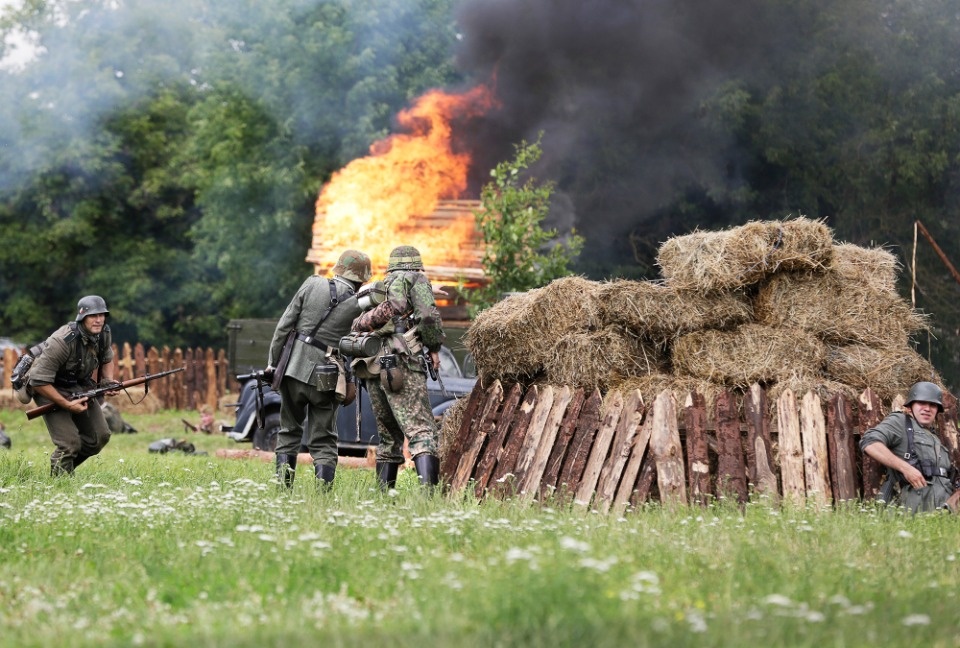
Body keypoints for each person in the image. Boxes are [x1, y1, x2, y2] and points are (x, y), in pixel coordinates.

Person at [268, 249, 372, 489]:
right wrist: (352, 381)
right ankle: (323, 495)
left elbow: (283, 326)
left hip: (293, 368)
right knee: (324, 439)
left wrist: (273, 363)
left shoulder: (312, 284)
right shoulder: (360, 303)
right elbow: (355, 346)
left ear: (338, 269)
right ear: (361, 279)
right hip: (327, 376)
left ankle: (283, 490)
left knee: (288, 431)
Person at [351, 245, 444, 490]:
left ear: (392, 265)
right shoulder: (417, 279)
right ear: (416, 264)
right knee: (421, 429)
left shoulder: (379, 288)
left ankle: (385, 497)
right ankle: (428, 498)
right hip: (402, 362)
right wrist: (434, 347)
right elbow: (428, 317)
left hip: (373, 364)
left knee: (388, 436)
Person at [28, 295, 117, 475]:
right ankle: (60, 484)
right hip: (48, 389)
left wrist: (107, 380)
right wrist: (67, 405)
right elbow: (38, 381)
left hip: (79, 387)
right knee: (70, 444)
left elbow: (107, 357)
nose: (98, 319)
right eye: (93, 315)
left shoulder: (103, 333)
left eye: (102, 315)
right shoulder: (62, 341)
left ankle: (64, 469)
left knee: (99, 437)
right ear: (82, 317)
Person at [860, 381, 957, 512]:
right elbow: (869, 442)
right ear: (910, 406)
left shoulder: (934, 437)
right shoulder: (901, 422)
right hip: (911, 511)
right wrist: (906, 468)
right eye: (922, 403)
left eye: (933, 405)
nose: (927, 408)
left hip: (941, 513)